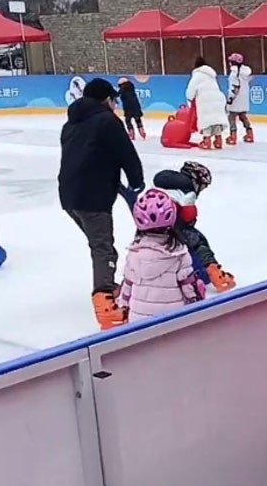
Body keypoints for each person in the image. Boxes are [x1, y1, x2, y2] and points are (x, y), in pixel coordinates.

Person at [58, 77, 145, 330]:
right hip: (92, 196)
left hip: (69, 195)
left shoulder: (70, 124)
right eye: (114, 99)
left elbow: (87, 156)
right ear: (106, 99)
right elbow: (126, 153)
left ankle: (107, 285)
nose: (115, 104)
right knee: (102, 248)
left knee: (101, 245)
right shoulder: (107, 121)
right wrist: (137, 183)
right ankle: (105, 304)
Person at [118, 189, 205, 323]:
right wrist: (197, 300)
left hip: (138, 322)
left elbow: (127, 287)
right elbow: (188, 288)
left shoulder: (134, 253)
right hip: (172, 319)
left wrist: (124, 307)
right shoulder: (178, 252)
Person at [152, 161, 236, 292]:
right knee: (198, 240)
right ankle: (214, 273)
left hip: (148, 231)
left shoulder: (163, 187)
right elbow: (187, 222)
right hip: (170, 230)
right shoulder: (188, 194)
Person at [185, 56, 229, 150]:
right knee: (216, 120)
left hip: (205, 99)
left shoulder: (197, 75)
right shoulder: (211, 75)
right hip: (217, 98)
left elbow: (190, 90)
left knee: (206, 120)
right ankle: (218, 140)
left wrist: (189, 99)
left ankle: (207, 141)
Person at [226, 52, 254, 145]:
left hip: (236, 100)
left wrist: (230, 99)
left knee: (231, 117)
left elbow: (235, 88)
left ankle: (233, 136)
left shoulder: (234, 74)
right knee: (243, 116)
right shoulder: (245, 73)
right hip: (244, 100)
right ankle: (249, 133)